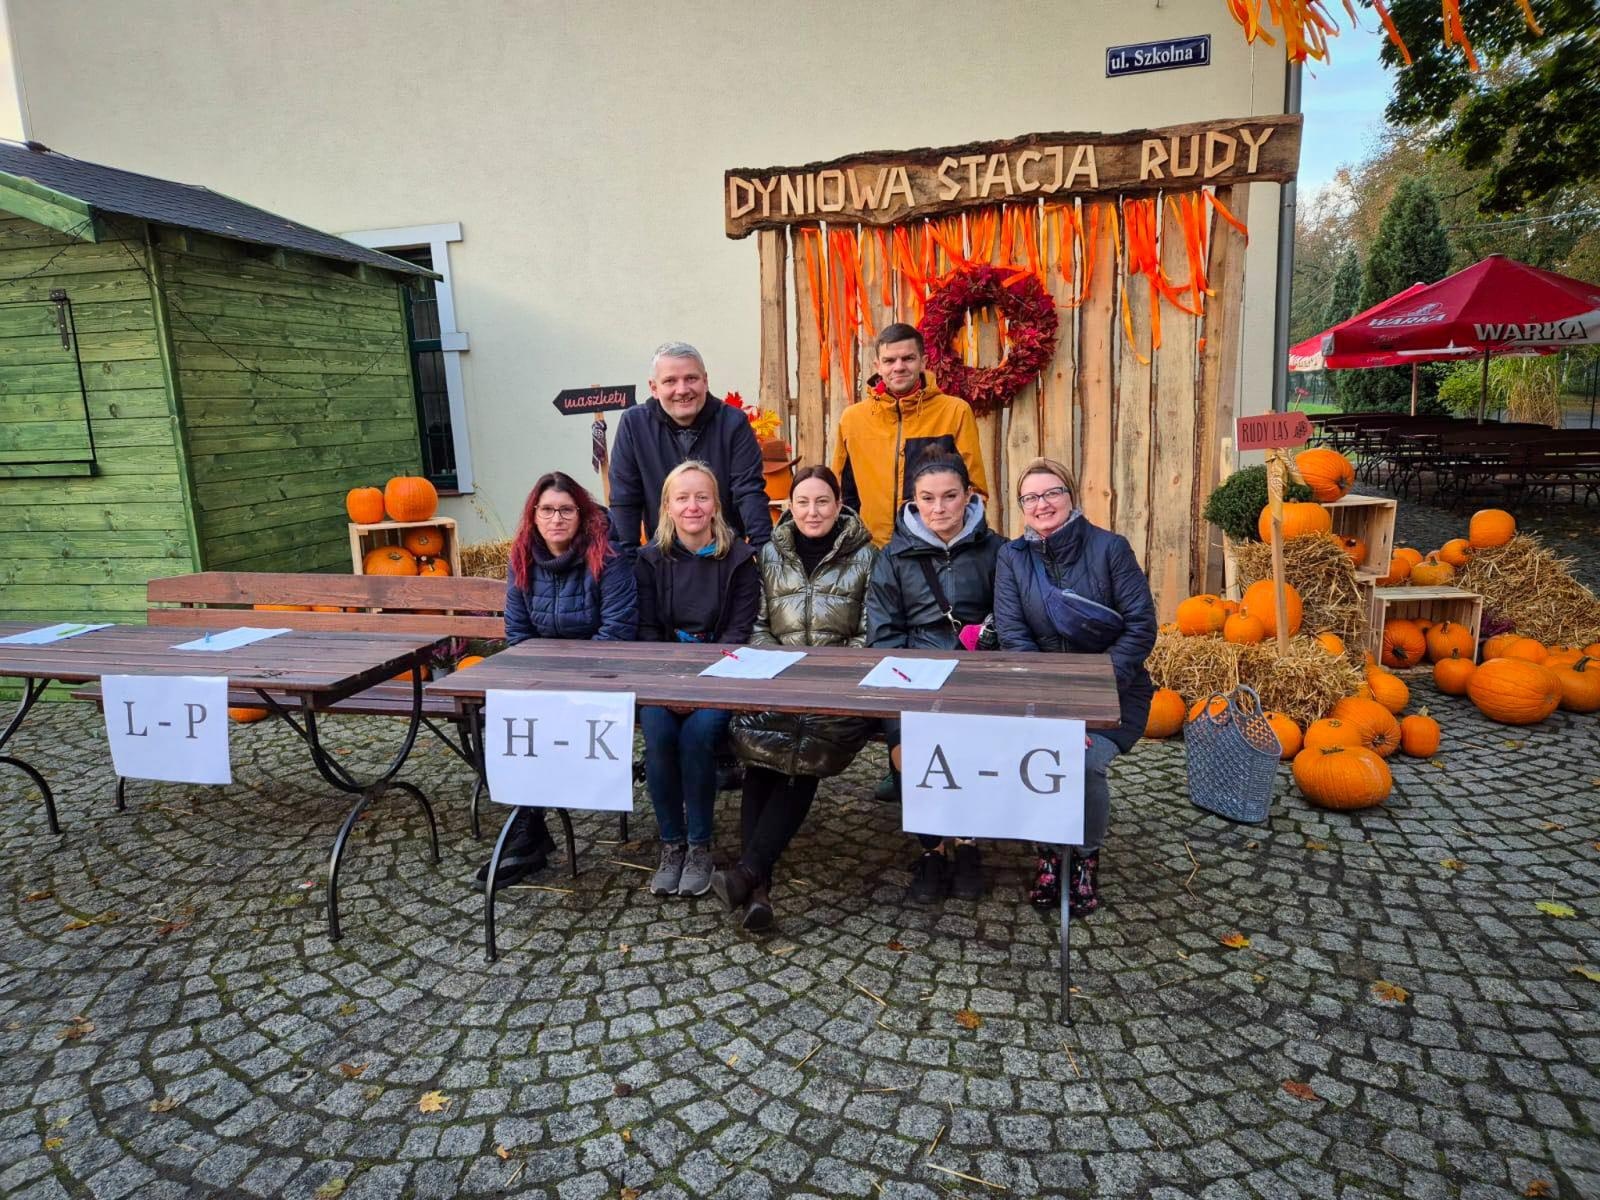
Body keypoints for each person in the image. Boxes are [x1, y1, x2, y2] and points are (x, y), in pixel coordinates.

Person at [991, 457, 1157, 918]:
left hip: (1114, 693)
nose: (1042, 504)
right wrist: (1051, 709)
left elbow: (1141, 627)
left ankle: (1084, 857)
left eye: (1051, 493)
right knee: (1037, 756)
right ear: (1021, 507)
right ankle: (1048, 853)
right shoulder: (1012, 557)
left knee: (1081, 763)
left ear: (1070, 496)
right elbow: (1014, 636)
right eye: (1031, 497)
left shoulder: (1111, 549)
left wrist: (1091, 699)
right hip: (1042, 696)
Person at [712, 466, 876, 930]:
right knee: (761, 748)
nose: (812, 511)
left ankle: (748, 873)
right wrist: (780, 672)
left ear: (839, 503)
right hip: (775, 681)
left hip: (838, 688)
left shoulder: (867, 557)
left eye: (822, 501)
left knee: (809, 746)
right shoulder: (770, 555)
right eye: (802, 502)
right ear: (789, 508)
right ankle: (756, 886)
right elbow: (757, 624)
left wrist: (824, 676)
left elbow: (869, 634)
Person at [476, 471, 637, 891]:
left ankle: (532, 824)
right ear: (534, 515)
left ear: (581, 515)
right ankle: (529, 823)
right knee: (481, 717)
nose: (556, 518)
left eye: (566, 510)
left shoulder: (610, 559)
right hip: (541, 678)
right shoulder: (522, 560)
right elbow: (518, 634)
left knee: (543, 719)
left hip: (601, 678)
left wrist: (570, 684)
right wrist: (544, 684)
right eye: (546, 510)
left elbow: (616, 632)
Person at [865, 452, 1001, 903]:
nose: (939, 507)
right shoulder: (894, 557)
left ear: (968, 496)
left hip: (978, 672)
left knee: (970, 749)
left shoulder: (997, 551)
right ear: (914, 502)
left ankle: (967, 843)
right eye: (928, 498)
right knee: (912, 754)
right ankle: (931, 848)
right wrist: (912, 679)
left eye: (949, 496)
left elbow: (1009, 618)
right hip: (912, 673)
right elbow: (884, 634)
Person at [634, 461, 760, 898]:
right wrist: (672, 687)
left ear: (715, 505)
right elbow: (648, 632)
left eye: (701, 497)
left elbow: (736, 635)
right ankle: (672, 843)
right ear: (666, 506)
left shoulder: (739, 559)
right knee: (658, 733)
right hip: (664, 675)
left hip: (717, 676)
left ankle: (700, 844)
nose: (692, 506)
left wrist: (698, 689)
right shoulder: (650, 561)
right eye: (682, 497)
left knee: (698, 735)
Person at [832, 323, 989, 548]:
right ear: (877, 365)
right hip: (872, 550)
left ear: (923, 361)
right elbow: (842, 492)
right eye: (889, 361)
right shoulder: (852, 419)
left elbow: (975, 491)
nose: (899, 367)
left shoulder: (955, 412)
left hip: (934, 550)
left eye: (908, 358)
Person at [609, 341, 773, 557]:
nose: (682, 390)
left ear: (705, 381)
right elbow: (625, 501)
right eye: (670, 381)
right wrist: (626, 567)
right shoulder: (634, 425)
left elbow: (749, 492)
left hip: (725, 557)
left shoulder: (733, 423)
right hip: (662, 560)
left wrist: (766, 557)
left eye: (691, 378)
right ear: (654, 388)